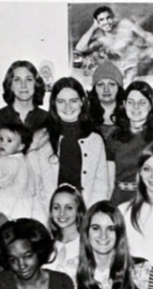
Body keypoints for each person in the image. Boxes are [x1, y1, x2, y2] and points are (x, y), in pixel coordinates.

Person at [32, 77, 110, 208]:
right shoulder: (42, 137)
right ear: (54, 104)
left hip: (85, 212)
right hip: (48, 212)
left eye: (73, 101)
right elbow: (35, 184)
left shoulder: (95, 139)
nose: (68, 107)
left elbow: (101, 184)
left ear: (82, 102)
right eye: (61, 101)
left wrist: (90, 214)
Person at [74, 6, 153, 84]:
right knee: (129, 84)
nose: (106, 22)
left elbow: (146, 35)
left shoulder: (125, 24)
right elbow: (79, 48)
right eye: (101, 20)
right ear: (97, 23)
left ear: (113, 17)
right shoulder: (101, 38)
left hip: (147, 53)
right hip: (130, 67)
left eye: (108, 18)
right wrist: (93, 27)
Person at [106, 81, 153, 205]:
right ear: (124, 104)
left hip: (150, 198)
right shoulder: (113, 138)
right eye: (131, 102)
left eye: (142, 103)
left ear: (151, 105)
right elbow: (108, 180)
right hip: (119, 199)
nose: (135, 107)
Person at [0, 123, 45, 221]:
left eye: (9, 141)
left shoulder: (12, 161)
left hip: (12, 199)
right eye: (1, 139)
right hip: (20, 198)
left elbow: (4, 182)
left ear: (20, 147)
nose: (2, 144)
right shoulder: (18, 157)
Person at [0, 60, 49, 139]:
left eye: (29, 79)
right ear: (10, 85)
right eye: (17, 80)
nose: (23, 85)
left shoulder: (48, 119)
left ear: (36, 84)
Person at [45, 184, 87, 281]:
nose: (61, 213)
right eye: (56, 207)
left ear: (79, 211)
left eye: (69, 207)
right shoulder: (47, 246)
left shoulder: (87, 244)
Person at [88, 60, 125, 141]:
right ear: (94, 89)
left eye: (111, 84)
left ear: (119, 88)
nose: (106, 89)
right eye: (100, 84)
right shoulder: (86, 117)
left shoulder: (129, 115)